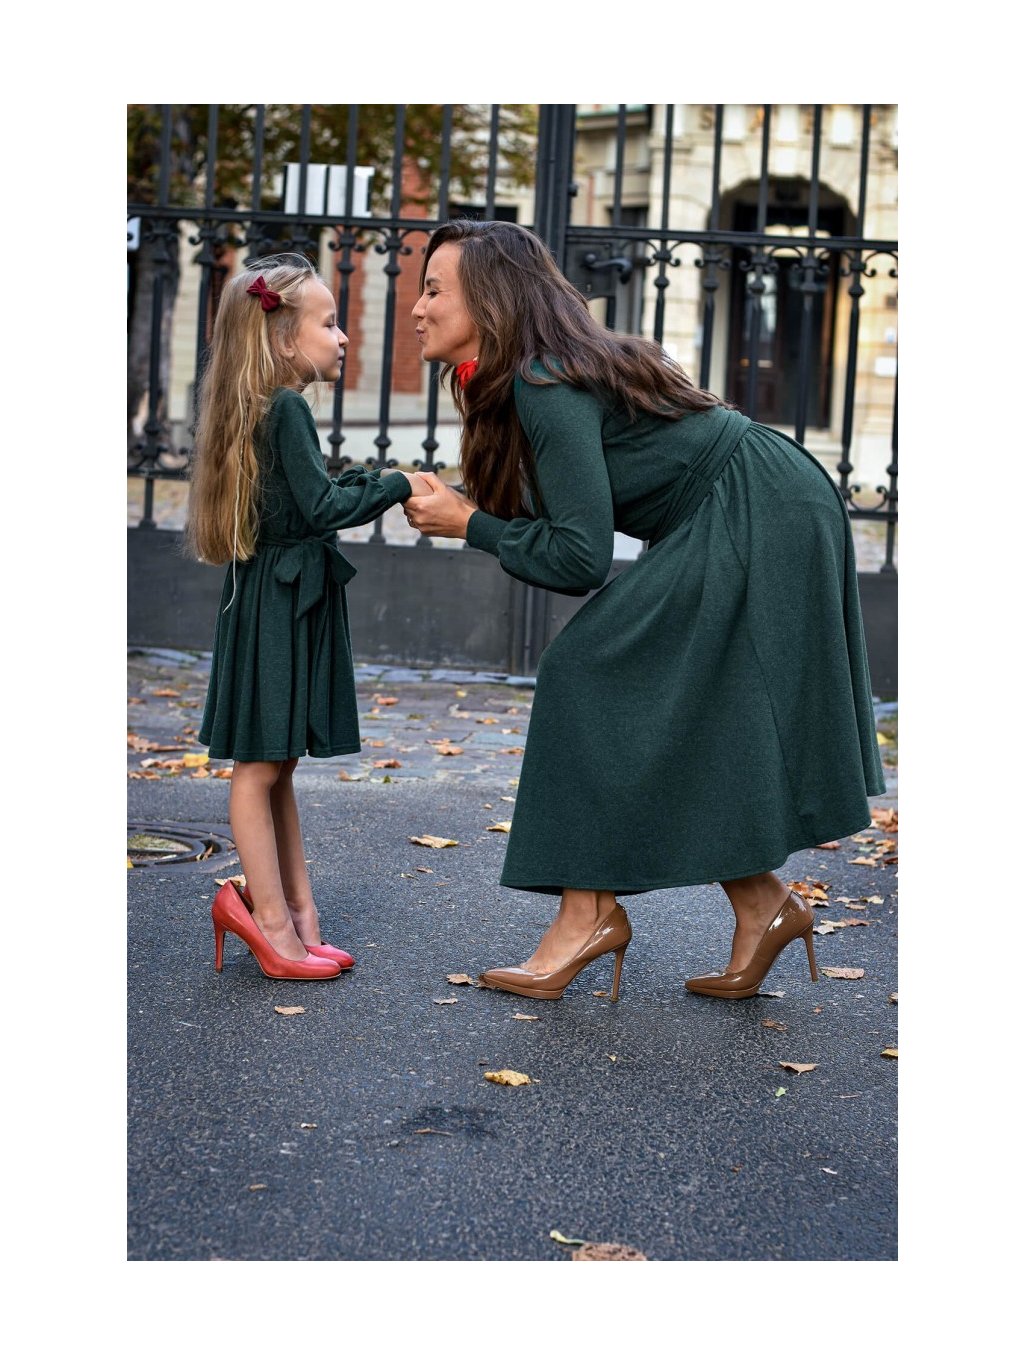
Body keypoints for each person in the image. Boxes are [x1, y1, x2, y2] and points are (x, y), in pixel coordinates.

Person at [404, 219, 885, 1002]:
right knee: (701, 706)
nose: (418, 307)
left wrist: (470, 524)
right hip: (752, 499)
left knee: (583, 669)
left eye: (434, 290)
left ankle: (587, 915)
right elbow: (559, 515)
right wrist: (469, 510)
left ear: (488, 301)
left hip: (759, 507)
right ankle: (763, 907)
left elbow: (579, 557)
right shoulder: (520, 381)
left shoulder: (542, 381)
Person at [187, 253, 432, 981]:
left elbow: (304, 496)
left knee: (277, 762)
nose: (344, 336)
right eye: (329, 323)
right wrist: (395, 484)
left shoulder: (263, 404)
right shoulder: (286, 406)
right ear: (284, 338)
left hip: (274, 592)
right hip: (281, 602)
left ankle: (298, 917)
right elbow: (323, 509)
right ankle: (269, 923)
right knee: (260, 766)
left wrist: (374, 479)